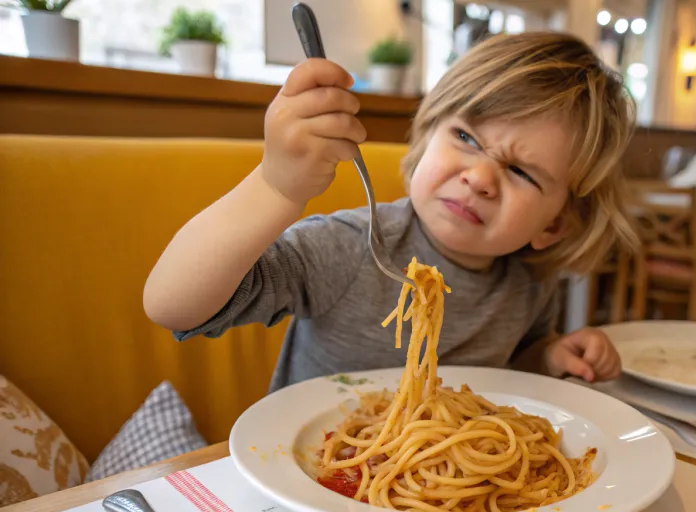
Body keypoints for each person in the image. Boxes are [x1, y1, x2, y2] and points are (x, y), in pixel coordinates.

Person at [143, 31, 637, 394]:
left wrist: (549, 356)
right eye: (465, 138)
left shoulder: (528, 284)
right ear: (425, 141)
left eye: (522, 173)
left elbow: (509, 369)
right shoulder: (351, 247)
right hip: (319, 478)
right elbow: (173, 305)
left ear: (553, 225)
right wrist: (275, 186)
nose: (480, 178)